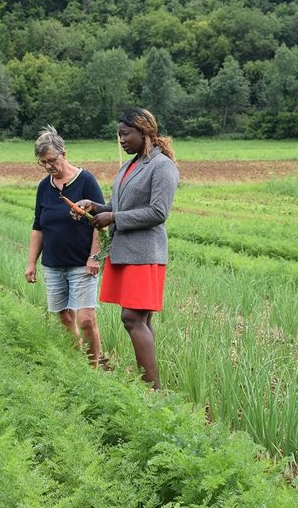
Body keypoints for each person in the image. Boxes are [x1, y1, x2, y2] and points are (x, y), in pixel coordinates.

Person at [75, 108, 179, 390]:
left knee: (132, 317)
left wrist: (115, 218)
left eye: (125, 134)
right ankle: (152, 389)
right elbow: (118, 207)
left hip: (145, 254)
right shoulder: (130, 166)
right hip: (127, 252)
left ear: (144, 132)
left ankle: (152, 388)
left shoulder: (162, 166)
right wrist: (96, 207)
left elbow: (158, 212)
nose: (121, 139)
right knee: (140, 319)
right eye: (119, 134)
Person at [25, 125, 104, 367]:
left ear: (64, 154)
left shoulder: (86, 181)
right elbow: (38, 226)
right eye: (43, 163)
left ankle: (93, 367)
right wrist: (31, 263)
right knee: (65, 317)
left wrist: (94, 257)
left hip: (82, 262)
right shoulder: (43, 187)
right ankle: (76, 363)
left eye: (51, 160)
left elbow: (100, 221)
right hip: (53, 263)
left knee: (86, 319)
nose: (48, 166)